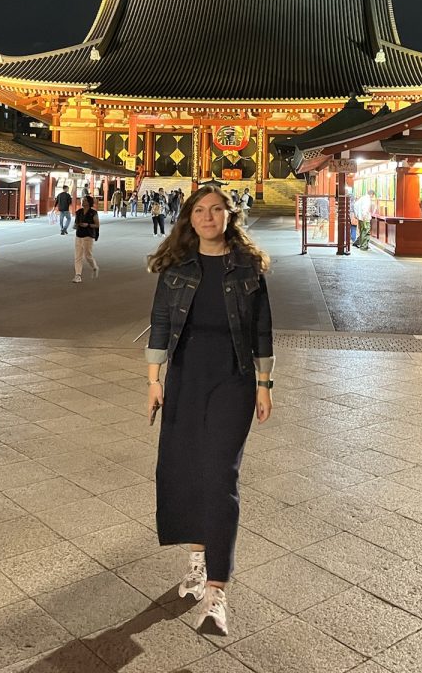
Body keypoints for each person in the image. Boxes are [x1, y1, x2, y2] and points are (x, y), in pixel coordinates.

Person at [145, 186, 274, 636]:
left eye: (216, 209)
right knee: (186, 468)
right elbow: (160, 323)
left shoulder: (249, 268)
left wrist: (264, 384)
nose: (207, 216)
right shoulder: (176, 269)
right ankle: (197, 558)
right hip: (184, 376)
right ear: (189, 217)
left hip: (233, 378)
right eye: (199, 210)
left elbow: (262, 329)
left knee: (221, 474)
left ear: (229, 216)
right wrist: (153, 382)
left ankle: (218, 589)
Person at [73, 194, 100, 283]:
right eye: (82, 200)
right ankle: (78, 275)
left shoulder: (93, 213)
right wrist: (76, 225)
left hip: (88, 235)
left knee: (88, 256)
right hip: (79, 235)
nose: (82, 201)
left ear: (89, 203)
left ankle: (94, 267)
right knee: (78, 256)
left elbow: (97, 225)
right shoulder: (79, 212)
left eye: (84, 200)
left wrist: (88, 225)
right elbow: (75, 223)